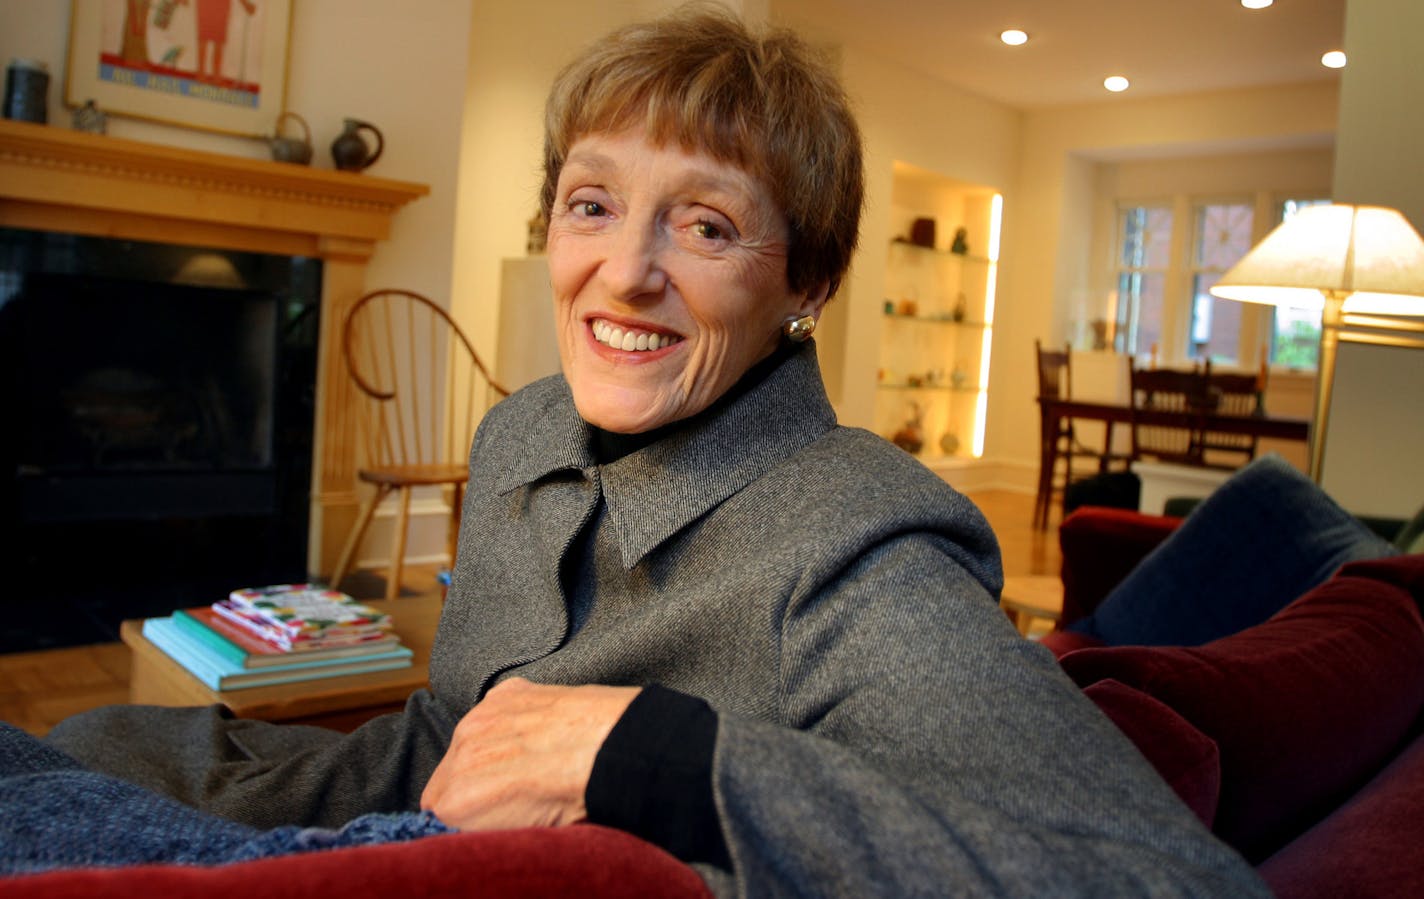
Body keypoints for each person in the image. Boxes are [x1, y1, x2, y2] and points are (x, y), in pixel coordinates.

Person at [33, 6, 1268, 896]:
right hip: (410, 817)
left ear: (809, 281)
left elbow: (1155, 875)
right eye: (592, 201)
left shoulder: (859, 546)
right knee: (80, 749)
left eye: (707, 222)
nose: (624, 270)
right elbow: (452, 730)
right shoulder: (520, 429)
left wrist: (650, 757)